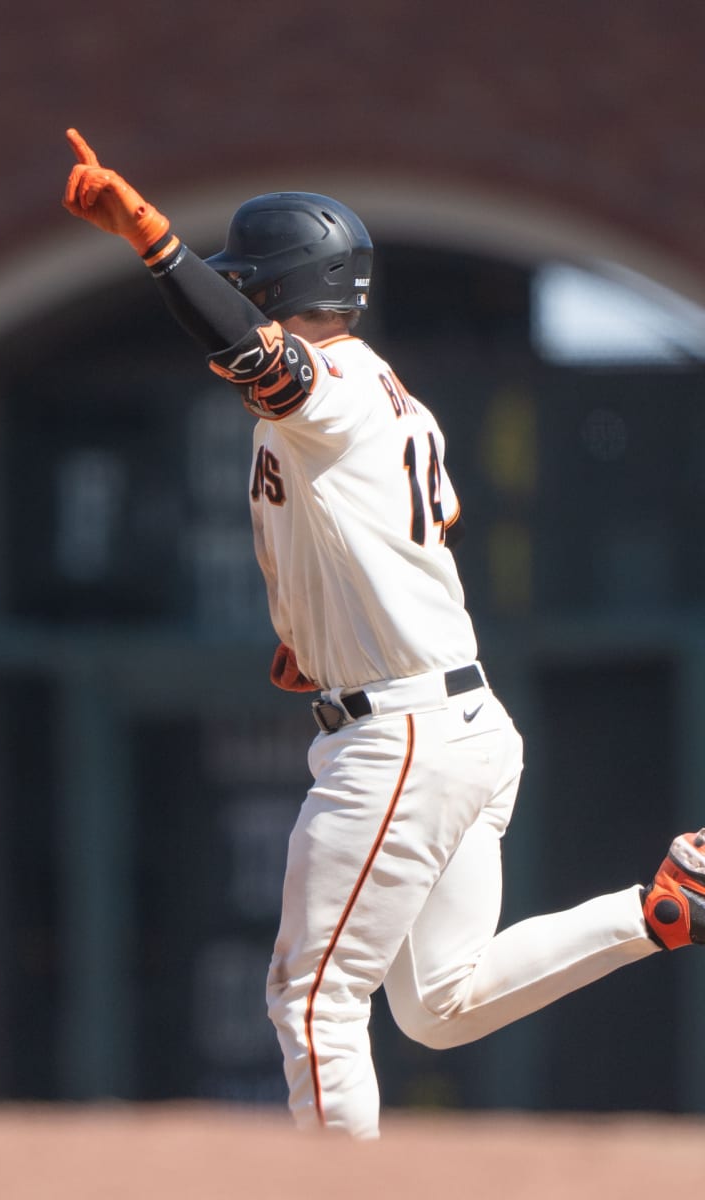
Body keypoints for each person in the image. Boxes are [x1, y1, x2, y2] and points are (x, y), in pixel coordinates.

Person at [61, 129, 705, 1138]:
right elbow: (408, 543)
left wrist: (151, 241)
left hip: (399, 734)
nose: (242, 299)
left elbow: (248, 354)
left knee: (311, 996)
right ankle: (666, 905)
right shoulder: (393, 402)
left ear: (274, 289)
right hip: (451, 720)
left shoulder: (335, 389)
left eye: (248, 283)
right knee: (441, 1005)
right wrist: (320, 631)